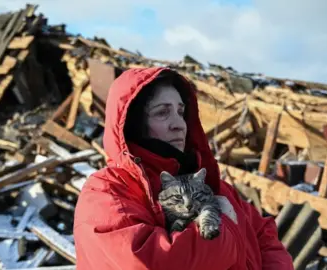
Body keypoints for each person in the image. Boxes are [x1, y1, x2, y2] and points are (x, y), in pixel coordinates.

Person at [74, 67, 293, 269]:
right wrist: (224, 225)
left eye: (181, 112)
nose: (178, 124)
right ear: (134, 123)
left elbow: (265, 235)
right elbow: (149, 263)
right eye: (162, 112)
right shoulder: (108, 192)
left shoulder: (214, 187)